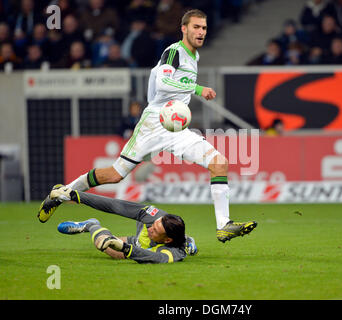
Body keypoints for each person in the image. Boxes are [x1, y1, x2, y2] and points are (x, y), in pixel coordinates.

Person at [38, 9, 257, 243]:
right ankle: (59, 194)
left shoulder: (194, 57)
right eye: (196, 27)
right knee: (114, 175)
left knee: (219, 163)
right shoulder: (174, 52)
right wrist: (197, 89)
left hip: (176, 128)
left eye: (203, 28)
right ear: (184, 29)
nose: (201, 32)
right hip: (154, 124)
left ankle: (223, 225)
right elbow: (163, 82)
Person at [49, 185, 197, 264]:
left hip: (144, 245)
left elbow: (156, 259)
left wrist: (124, 248)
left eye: (156, 229)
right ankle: (91, 224)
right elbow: (116, 206)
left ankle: (91, 225)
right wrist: (75, 195)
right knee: (110, 245)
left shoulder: (174, 252)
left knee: (111, 249)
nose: (151, 227)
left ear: (167, 240)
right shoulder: (154, 216)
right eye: (155, 224)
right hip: (142, 241)